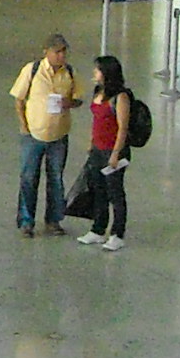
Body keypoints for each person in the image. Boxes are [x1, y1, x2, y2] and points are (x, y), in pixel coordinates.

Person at [9, 34, 79, 239]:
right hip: (34, 135)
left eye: (63, 52)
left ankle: (53, 220)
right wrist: (24, 126)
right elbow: (19, 100)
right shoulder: (32, 71)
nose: (61, 56)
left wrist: (70, 103)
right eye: (57, 51)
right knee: (29, 177)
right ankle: (26, 221)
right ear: (46, 52)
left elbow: (79, 99)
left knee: (56, 178)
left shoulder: (70, 72)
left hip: (59, 135)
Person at [72, 55, 135, 250]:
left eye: (97, 69)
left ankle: (118, 233)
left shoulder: (120, 97)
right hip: (98, 150)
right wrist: (92, 143)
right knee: (98, 191)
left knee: (115, 192)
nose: (94, 73)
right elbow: (97, 121)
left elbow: (122, 127)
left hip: (113, 150)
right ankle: (98, 229)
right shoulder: (98, 92)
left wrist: (116, 153)